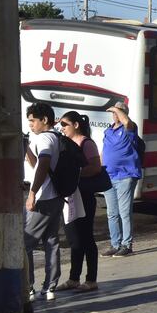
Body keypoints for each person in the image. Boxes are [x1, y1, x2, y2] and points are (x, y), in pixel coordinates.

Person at [55, 111, 101, 293]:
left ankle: (91, 279)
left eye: (65, 124)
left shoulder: (86, 143)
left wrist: (74, 174)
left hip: (84, 196)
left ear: (76, 125)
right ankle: (74, 278)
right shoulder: (64, 143)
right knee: (74, 239)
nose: (62, 128)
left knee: (86, 237)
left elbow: (96, 167)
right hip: (70, 196)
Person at [23, 102, 63, 301]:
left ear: (44, 120)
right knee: (51, 241)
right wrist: (26, 147)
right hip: (56, 196)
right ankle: (49, 288)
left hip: (43, 197)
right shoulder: (56, 137)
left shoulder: (45, 138)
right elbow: (36, 163)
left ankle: (27, 287)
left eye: (33, 120)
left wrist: (32, 193)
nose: (30, 124)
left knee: (25, 243)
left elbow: (44, 164)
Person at [101, 101, 141, 257]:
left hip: (126, 175)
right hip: (109, 176)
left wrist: (115, 108)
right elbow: (104, 151)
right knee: (112, 213)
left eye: (118, 112)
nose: (115, 114)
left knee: (124, 212)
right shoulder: (108, 131)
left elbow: (126, 122)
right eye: (114, 112)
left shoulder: (129, 128)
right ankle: (115, 244)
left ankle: (127, 244)